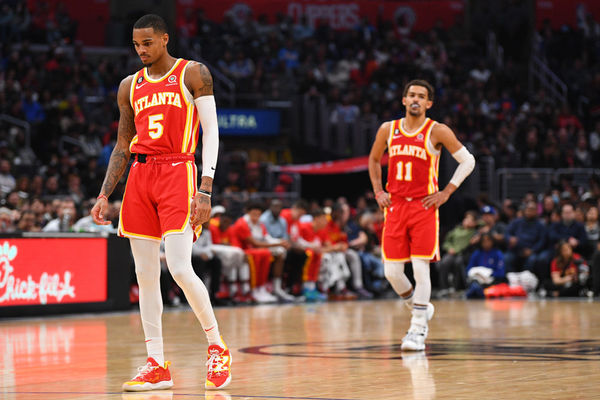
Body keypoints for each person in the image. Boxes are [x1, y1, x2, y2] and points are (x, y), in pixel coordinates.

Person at [90, 15, 231, 391]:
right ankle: (156, 363)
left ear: (165, 39)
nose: (142, 50)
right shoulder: (129, 86)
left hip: (178, 172)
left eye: (148, 43)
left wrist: (206, 187)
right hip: (139, 177)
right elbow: (122, 145)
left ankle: (217, 347)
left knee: (182, 269)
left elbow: (212, 132)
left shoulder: (193, 74)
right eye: (136, 45)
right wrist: (105, 193)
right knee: (146, 276)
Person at [368, 79, 475, 351]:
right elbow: (373, 160)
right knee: (391, 272)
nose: (415, 99)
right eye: (411, 95)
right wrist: (379, 191)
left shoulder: (437, 130)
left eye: (421, 96)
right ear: (403, 100)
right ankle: (419, 306)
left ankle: (417, 329)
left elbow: (468, 161)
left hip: (424, 206)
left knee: (420, 267)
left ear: (429, 103)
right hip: (394, 206)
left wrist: (447, 191)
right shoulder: (388, 129)